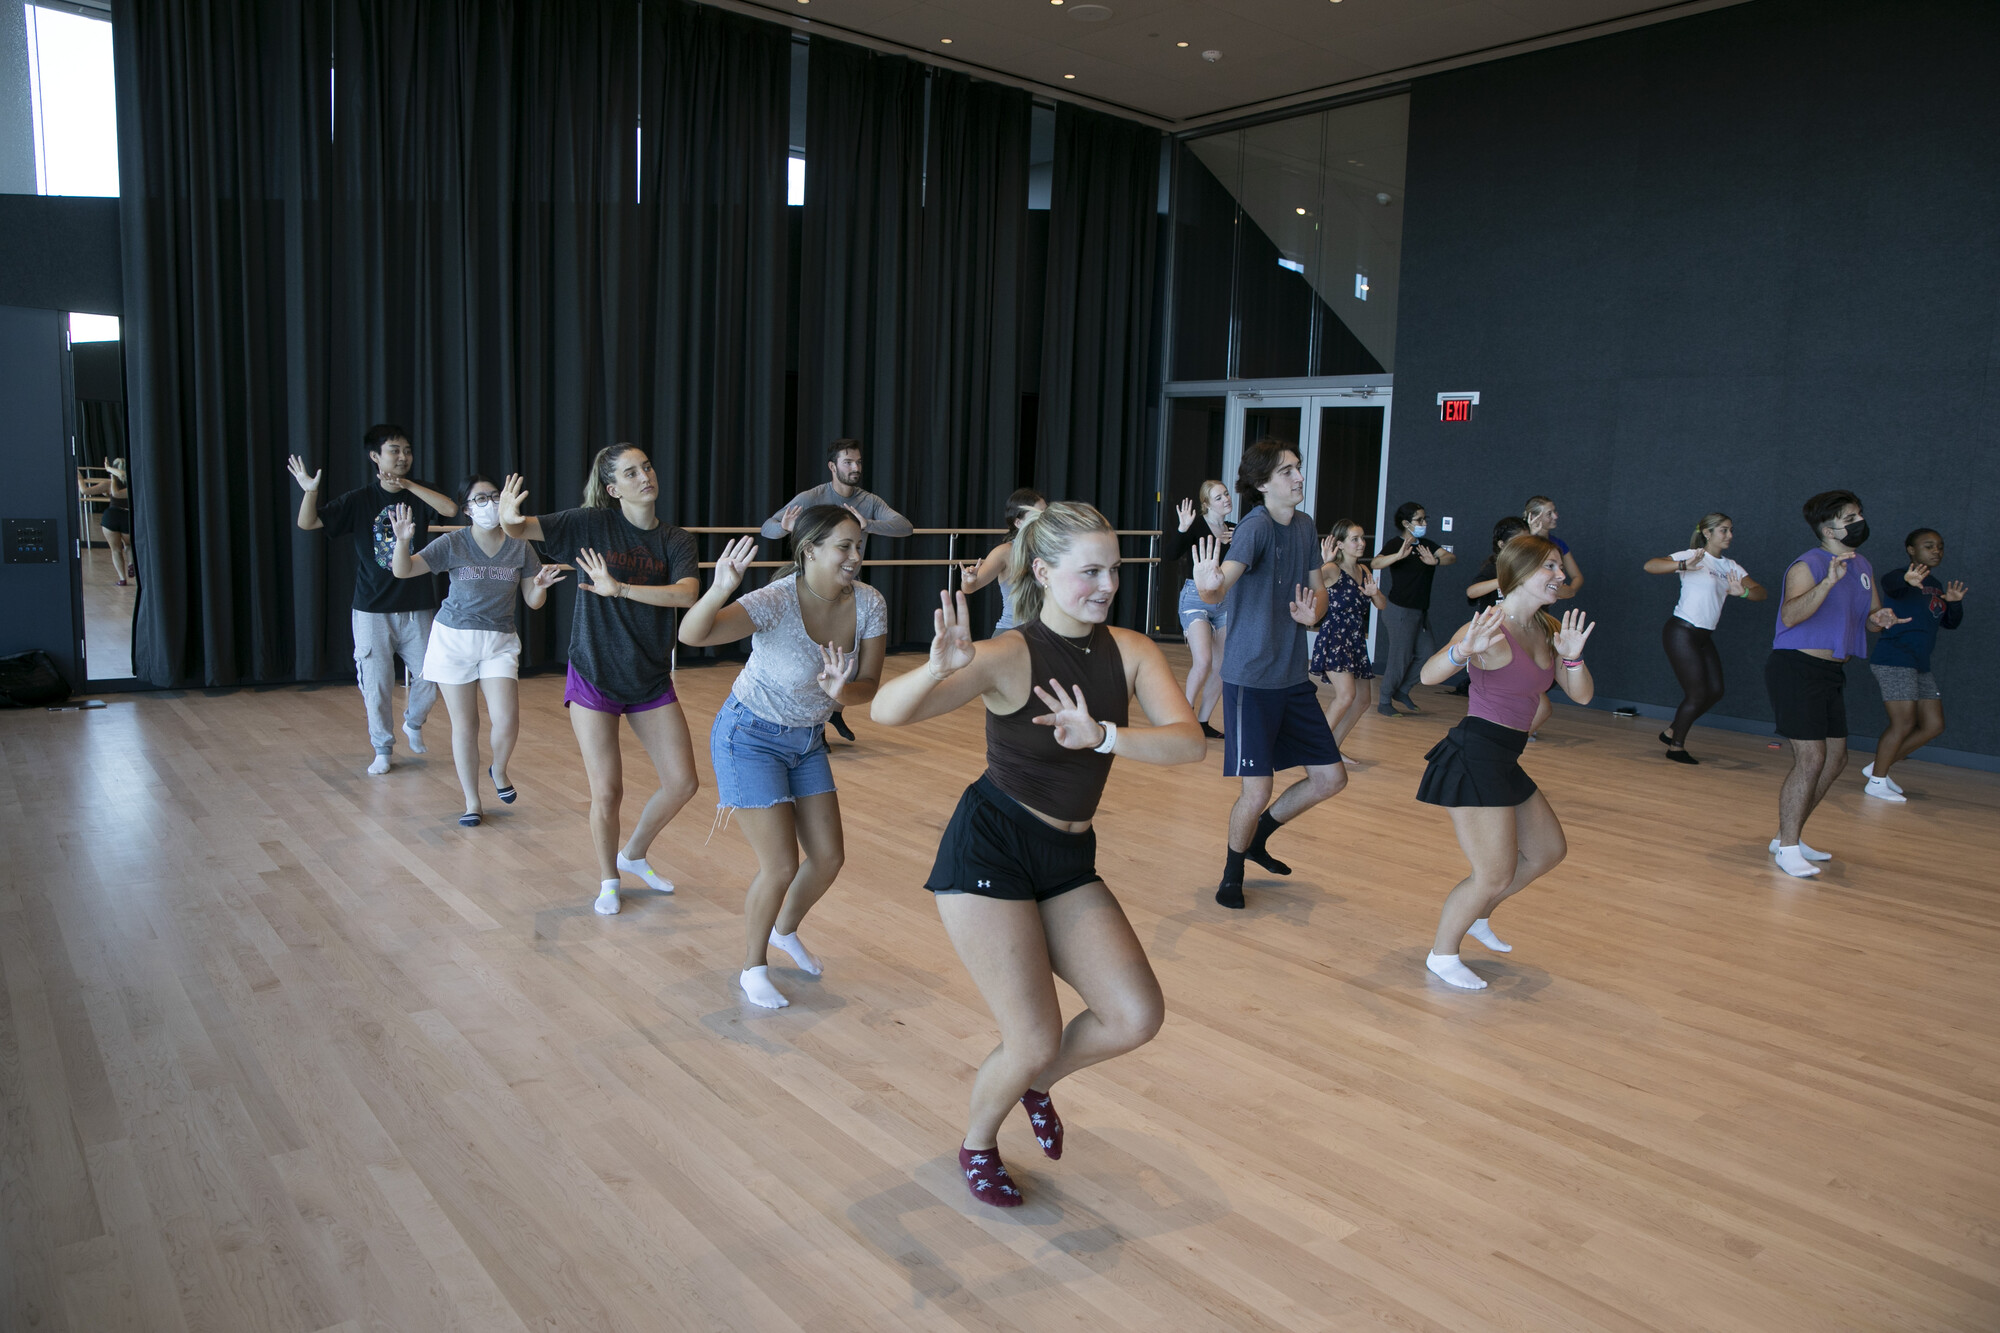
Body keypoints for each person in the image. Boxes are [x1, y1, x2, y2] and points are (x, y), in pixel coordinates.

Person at [871, 502, 1204, 1207]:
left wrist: (1106, 736)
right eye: (1090, 571)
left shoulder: (1133, 650)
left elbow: (1188, 740)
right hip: (990, 848)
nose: (1107, 584)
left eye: (1113, 569)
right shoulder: (1009, 653)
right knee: (1031, 1034)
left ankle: (1038, 1084)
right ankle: (979, 1141)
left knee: (1134, 1013)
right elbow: (886, 713)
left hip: (1066, 857)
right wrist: (934, 670)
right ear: (1045, 572)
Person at [678, 507, 888, 1009]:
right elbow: (693, 635)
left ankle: (783, 930)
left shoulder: (870, 603)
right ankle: (753, 967)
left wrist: (844, 690)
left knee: (829, 857)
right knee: (779, 866)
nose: (855, 556)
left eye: (859, 545)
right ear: (810, 549)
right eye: (844, 546)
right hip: (748, 736)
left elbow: (870, 689)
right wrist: (719, 589)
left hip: (808, 739)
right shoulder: (775, 599)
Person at [498, 447, 702, 914]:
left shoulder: (676, 540)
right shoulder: (591, 523)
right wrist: (509, 517)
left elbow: (687, 594)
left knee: (683, 782)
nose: (645, 476)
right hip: (594, 673)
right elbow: (520, 529)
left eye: (647, 466)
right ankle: (609, 879)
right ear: (613, 489)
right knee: (608, 790)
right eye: (631, 473)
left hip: (649, 676)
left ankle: (632, 854)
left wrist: (621, 589)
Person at [1414, 535, 1596, 990]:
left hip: (1504, 759)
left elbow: (1583, 694)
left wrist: (1572, 660)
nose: (1560, 576)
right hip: (1474, 756)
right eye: (1550, 567)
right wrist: (1462, 650)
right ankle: (1442, 953)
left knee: (1549, 850)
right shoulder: (1489, 625)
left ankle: (1479, 913)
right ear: (1520, 572)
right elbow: (1428, 675)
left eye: (1559, 567)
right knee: (1493, 873)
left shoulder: (1547, 628)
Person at [1194, 440, 1347, 910]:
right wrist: (1208, 584)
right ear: (1262, 484)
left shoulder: (1304, 525)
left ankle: (1257, 838)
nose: (1298, 477)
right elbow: (1221, 589)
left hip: (1292, 678)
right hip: (1250, 681)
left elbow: (1319, 594)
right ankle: (1231, 872)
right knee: (1257, 788)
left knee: (1329, 778)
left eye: (1298, 468)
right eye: (1287, 472)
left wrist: (1312, 616)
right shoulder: (1256, 529)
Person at [389, 478, 565, 826]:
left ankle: (498, 769)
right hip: (454, 640)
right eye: (480, 499)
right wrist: (403, 542)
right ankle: (472, 802)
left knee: (507, 720)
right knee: (465, 726)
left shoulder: (519, 546)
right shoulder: (453, 543)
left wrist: (541, 587)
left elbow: (532, 602)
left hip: (498, 640)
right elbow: (403, 569)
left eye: (494, 497)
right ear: (467, 509)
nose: (488, 504)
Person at [289, 426, 457, 775]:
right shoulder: (359, 499)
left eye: (407, 451)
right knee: (377, 685)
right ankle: (382, 748)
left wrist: (408, 485)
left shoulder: (419, 493)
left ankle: (414, 721)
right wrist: (310, 492)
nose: (402, 457)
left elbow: (451, 509)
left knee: (434, 673)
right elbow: (309, 523)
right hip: (371, 609)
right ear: (375, 457)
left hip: (417, 606)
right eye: (394, 450)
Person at [1764, 490, 1909, 877]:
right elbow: (1791, 615)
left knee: (1837, 758)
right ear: (1828, 528)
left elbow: (1871, 615)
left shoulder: (1862, 564)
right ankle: (1788, 849)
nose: (1859, 521)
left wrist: (1882, 619)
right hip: (1796, 667)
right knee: (1810, 759)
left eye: (1859, 513)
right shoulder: (1807, 564)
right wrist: (1827, 583)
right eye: (1851, 516)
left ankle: (1785, 835)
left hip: (1831, 672)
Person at [762, 439, 913, 743]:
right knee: (811, 659)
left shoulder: (868, 501)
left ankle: (833, 713)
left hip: (844, 586)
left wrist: (867, 524)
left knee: (848, 660)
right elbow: (768, 527)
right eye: (848, 462)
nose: (855, 468)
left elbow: (904, 526)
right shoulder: (812, 496)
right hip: (809, 585)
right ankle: (810, 724)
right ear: (833, 467)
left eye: (858, 462)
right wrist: (786, 528)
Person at [1642, 513, 1767, 764]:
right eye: (1723, 530)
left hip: (1703, 635)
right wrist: (1682, 565)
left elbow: (1760, 592)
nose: (1730, 536)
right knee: (1697, 693)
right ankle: (1675, 747)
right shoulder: (1693, 555)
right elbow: (1651, 565)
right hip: (1681, 631)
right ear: (1707, 533)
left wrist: (1741, 592)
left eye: (1731, 530)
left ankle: (1670, 732)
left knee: (1716, 690)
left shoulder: (1730, 566)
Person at [1863, 528, 1967, 802]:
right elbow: (1891, 584)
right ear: (1911, 550)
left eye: (1940, 547)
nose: (1936, 551)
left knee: (1933, 725)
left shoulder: (1935, 583)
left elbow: (1950, 623)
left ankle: (1878, 768)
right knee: (1904, 722)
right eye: (1929, 546)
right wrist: (1908, 580)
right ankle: (1876, 782)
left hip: (1920, 664)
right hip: (1894, 659)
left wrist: (1954, 604)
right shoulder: (1899, 577)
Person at [1162, 480, 1236, 739]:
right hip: (1195, 600)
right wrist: (1182, 528)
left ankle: (1202, 722)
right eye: (1219, 497)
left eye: (1226, 494)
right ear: (1206, 504)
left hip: (1225, 601)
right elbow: (1169, 555)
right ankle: (1181, 719)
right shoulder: (1196, 526)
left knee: (1222, 667)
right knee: (1203, 662)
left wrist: (1235, 542)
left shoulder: (1235, 530)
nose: (1226, 499)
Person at [1369, 500, 1457, 717]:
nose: (1424, 522)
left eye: (1425, 518)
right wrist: (1398, 556)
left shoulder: (1426, 545)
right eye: (1419, 519)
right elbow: (1375, 563)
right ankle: (1384, 700)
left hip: (1420, 611)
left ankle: (1402, 690)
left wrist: (1434, 561)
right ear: (1406, 523)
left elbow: (1450, 557)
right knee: (1399, 658)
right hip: (1399, 611)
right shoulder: (1394, 544)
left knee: (1427, 654)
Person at [1309, 519, 1387, 760]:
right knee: (1345, 696)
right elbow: (1308, 580)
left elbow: (1381, 605)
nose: (1362, 543)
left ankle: (1332, 748)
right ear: (1340, 544)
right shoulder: (1332, 569)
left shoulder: (1364, 571)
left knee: (1363, 700)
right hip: (1335, 637)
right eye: (1355, 539)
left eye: (1362, 538)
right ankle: (1312, 747)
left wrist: (1376, 594)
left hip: (1355, 639)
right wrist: (1323, 561)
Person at [1451, 517, 1530, 696]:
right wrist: (1502, 580)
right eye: (1519, 541)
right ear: (1502, 544)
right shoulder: (1493, 568)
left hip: (1517, 630)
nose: (1524, 546)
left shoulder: (1525, 568)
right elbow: (1472, 592)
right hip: (1493, 633)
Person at [958, 489, 1046, 635]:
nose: (1045, 519)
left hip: (1045, 632)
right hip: (1012, 631)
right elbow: (969, 588)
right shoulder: (1005, 552)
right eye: (1038, 515)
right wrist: (969, 580)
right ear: (1018, 522)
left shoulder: (1053, 550)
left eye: (1046, 513)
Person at [84, 459, 136, 585]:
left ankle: (122, 579)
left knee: (116, 550)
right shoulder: (134, 482)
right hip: (128, 516)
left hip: (111, 516)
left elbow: (85, 491)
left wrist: (79, 478)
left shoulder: (109, 483)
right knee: (129, 546)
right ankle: (131, 563)